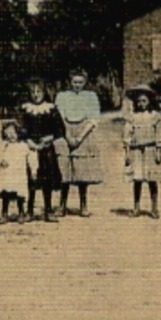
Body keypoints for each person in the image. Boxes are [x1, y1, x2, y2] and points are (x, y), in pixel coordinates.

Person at [56, 69, 104, 216]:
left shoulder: (91, 96)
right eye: (75, 82)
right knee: (64, 169)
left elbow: (93, 119)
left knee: (82, 170)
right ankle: (62, 205)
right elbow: (60, 117)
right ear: (69, 82)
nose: (77, 85)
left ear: (85, 82)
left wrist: (79, 138)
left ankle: (83, 204)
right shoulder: (62, 96)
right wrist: (68, 136)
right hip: (65, 132)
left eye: (80, 82)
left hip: (84, 132)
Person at [18, 79, 64, 221]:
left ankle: (48, 210)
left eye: (39, 91)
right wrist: (29, 141)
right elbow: (21, 128)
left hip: (46, 148)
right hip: (30, 148)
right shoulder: (25, 109)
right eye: (33, 92)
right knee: (31, 179)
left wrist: (50, 137)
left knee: (47, 179)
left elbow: (60, 129)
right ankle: (29, 210)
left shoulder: (51, 109)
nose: (36, 95)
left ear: (44, 93)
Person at [119, 84, 161, 219]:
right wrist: (127, 152)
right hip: (136, 151)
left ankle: (154, 207)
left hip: (151, 150)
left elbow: (160, 133)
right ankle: (136, 207)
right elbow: (127, 135)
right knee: (137, 179)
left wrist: (158, 151)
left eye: (144, 101)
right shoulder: (132, 117)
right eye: (139, 101)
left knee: (152, 179)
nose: (141, 104)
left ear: (150, 101)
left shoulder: (155, 116)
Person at [0, 120, 34, 222]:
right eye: (8, 134)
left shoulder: (23, 146)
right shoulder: (4, 145)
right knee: (6, 194)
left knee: (19, 195)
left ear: (18, 132)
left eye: (13, 133)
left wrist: (33, 170)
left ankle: (21, 213)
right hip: (6, 174)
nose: (11, 136)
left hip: (19, 174)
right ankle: (4, 213)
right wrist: (1, 161)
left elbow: (31, 158)